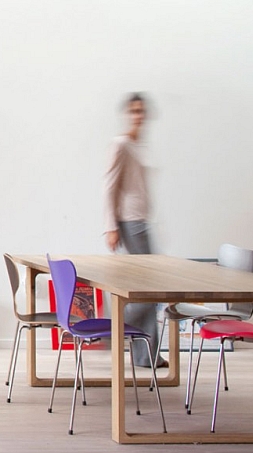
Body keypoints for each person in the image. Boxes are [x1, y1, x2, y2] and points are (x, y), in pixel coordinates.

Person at [103, 92, 165, 368]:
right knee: (151, 290)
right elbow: (109, 185)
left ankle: (146, 355)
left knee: (149, 289)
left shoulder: (141, 145)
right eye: (134, 111)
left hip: (142, 220)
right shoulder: (122, 144)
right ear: (128, 114)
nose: (139, 115)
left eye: (142, 111)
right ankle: (118, 324)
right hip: (129, 222)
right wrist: (110, 226)